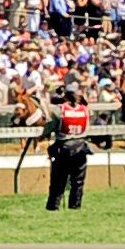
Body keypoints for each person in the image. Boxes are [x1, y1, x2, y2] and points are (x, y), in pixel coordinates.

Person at [47, 85, 94, 214]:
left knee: (58, 180)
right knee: (78, 181)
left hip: (63, 148)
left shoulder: (59, 110)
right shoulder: (86, 110)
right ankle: (75, 206)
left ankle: (54, 207)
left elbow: (49, 126)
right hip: (81, 148)